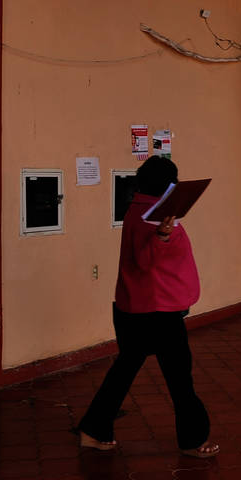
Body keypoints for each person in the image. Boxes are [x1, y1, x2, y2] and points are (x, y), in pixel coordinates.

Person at [77, 156, 219, 458]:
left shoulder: (141, 208)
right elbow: (144, 262)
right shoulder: (152, 216)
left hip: (138, 306)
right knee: (179, 377)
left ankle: (93, 430)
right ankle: (193, 440)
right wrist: (162, 236)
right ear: (168, 185)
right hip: (157, 310)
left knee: (124, 371)